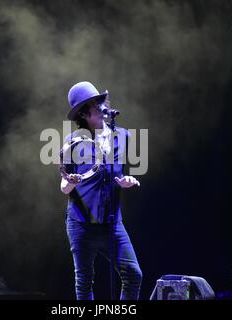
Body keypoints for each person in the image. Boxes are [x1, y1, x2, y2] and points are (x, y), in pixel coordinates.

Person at [61, 81, 142, 300]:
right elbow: (64, 186)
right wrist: (71, 182)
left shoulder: (123, 136)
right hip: (81, 224)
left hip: (112, 223)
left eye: (99, 102)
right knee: (84, 281)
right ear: (83, 115)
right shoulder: (74, 142)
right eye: (92, 105)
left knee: (133, 274)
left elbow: (116, 173)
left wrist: (124, 181)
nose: (99, 107)